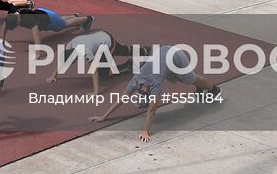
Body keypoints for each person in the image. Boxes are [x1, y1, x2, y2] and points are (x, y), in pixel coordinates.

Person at [91, 55, 222, 143]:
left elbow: (151, 111)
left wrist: (146, 131)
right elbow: (122, 98)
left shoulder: (155, 85)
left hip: (176, 57)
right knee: (179, 77)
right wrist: (104, 116)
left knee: (189, 78)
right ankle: (199, 88)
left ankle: (214, 89)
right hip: (164, 57)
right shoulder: (136, 81)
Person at [45, 29, 133, 96]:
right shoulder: (70, 45)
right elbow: (64, 62)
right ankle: (134, 51)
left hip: (108, 42)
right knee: (122, 51)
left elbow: (93, 71)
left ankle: (128, 65)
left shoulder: (86, 50)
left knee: (104, 74)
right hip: (100, 38)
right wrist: (53, 76)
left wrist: (95, 92)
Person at [4, 9, 93, 46]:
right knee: (60, 20)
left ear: (18, 21)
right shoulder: (12, 15)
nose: (17, 26)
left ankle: (87, 19)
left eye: (17, 25)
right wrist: (2, 38)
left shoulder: (28, 18)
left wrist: (38, 52)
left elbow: (36, 34)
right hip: (42, 12)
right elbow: (5, 24)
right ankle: (75, 15)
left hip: (49, 20)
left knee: (65, 24)